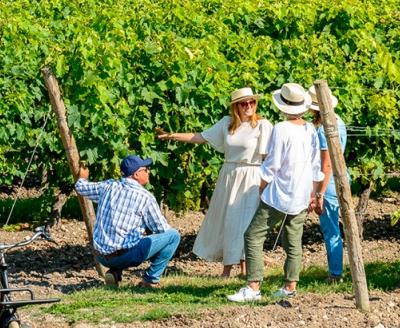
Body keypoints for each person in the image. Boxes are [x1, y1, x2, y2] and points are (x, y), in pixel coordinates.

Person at [157, 87, 273, 279]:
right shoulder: (228, 124)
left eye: (251, 102)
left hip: (251, 175)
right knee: (228, 221)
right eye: (244, 103)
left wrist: (265, 186)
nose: (248, 106)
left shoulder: (262, 125)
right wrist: (171, 136)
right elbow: (201, 137)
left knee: (245, 222)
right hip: (228, 176)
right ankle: (227, 270)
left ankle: (245, 270)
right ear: (236, 107)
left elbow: (267, 157)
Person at [227, 83, 324, 302]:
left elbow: (272, 164)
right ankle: (290, 286)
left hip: (280, 194)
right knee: (293, 240)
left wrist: (262, 188)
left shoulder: (281, 128)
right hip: (301, 194)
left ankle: (253, 287)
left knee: (252, 235)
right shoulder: (310, 129)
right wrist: (313, 192)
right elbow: (315, 165)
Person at [75, 155, 181, 289]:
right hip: (124, 256)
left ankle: (114, 272)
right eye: (145, 170)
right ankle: (150, 280)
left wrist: (82, 176)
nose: (148, 172)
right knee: (173, 236)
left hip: (101, 256)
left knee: (124, 239)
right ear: (136, 174)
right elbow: (162, 230)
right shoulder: (145, 197)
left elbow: (81, 187)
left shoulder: (108, 186)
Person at [308, 84, 347, 283]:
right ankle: (336, 272)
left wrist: (318, 193)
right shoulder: (339, 121)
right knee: (335, 229)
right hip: (340, 180)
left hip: (329, 185)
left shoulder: (324, 129)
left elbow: (327, 164)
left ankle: (335, 274)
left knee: (331, 229)